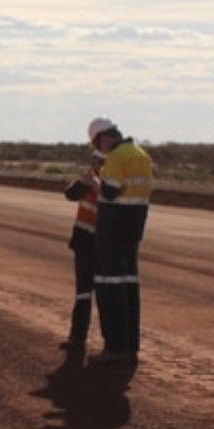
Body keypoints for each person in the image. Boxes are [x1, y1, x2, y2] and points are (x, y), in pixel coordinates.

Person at [85, 117, 153, 365]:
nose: (98, 148)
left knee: (110, 286)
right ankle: (130, 345)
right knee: (129, 287)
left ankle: (114, 348)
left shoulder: (116, 157)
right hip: (134, 227)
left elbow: (110, 192)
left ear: (104, 137)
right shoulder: (141, 155)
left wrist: (94, 182)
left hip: (113, 229)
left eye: (97, 142)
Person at [61, 150, 106, 352]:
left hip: (102, 245)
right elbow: (70, 194)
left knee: (105, 295)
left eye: (101, 161)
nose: (97, 164)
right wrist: (85, 182)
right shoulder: (88, 180)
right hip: (83, 242)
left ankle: (112, 344)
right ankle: (77, 337)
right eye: (95, 161)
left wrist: (97, 187)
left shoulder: (110, 186)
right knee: (83, 294)